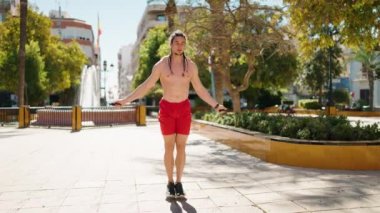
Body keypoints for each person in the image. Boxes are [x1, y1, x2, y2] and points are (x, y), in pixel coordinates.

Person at [113, 30, 227, 199]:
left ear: (185, 45)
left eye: (182, 43)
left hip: (183, 109)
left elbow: (201, 89)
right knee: (169, 147)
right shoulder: (161, 65)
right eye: (176, 43)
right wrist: (125, 100)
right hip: (166, 109)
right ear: (171, 44)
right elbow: (146, 86)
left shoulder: (191, 66)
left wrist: (216, 105)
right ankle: (169, 183)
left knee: (181, 147)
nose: (179, 46)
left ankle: (179, 183)